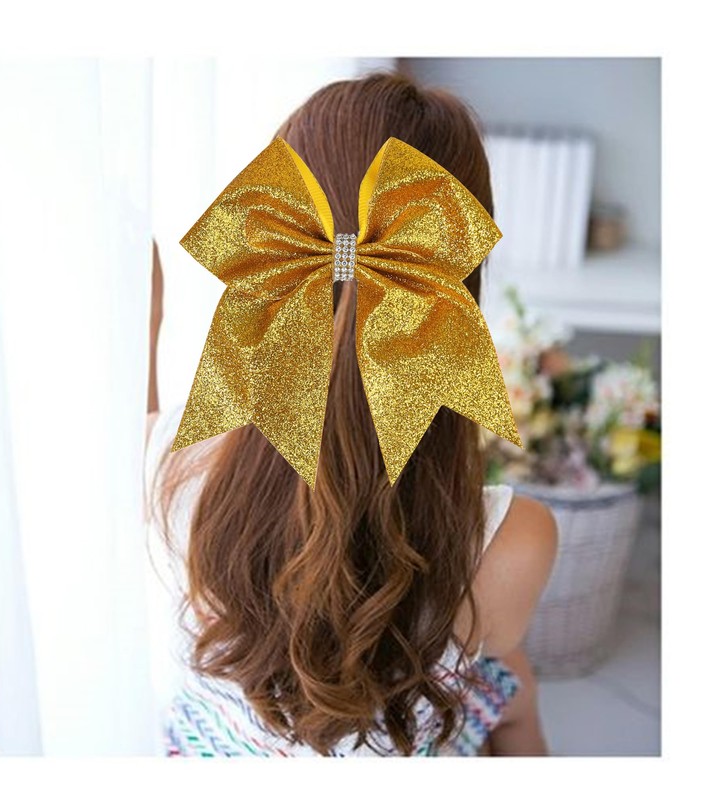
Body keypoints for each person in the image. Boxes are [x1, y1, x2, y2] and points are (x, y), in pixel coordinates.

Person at [144, 71, 558, 757]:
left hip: (216, 744)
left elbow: (138, 432)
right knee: (515, 683)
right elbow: (492, 642)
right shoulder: (519, 541)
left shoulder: (172, 467)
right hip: (397, 736)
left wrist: (148, 322)